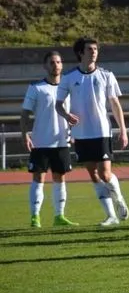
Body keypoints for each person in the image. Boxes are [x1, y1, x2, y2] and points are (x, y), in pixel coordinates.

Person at [55, 37, 129, 227]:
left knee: (105, 173)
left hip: (102, 131)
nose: (94, 52)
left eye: (95, 49)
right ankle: (111, 216)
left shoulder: (106, 75)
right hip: (81, 134)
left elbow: (115, 103)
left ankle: (119, 198)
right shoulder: (69, 77)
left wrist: (123, 130)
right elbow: (58, 104)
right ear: (81, 52)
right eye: (89, 49)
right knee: (93, 174)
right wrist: (67, 115)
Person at [21, 51, 77, 228]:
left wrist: (75, 133)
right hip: (41, 142)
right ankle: (35, 216)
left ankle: (59, 216)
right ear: (45, 66)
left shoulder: (67, 87)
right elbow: (24, 114)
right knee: (39, 178)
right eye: (52, 62)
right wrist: (25, 135)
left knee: (60, 179)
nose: (56, 65)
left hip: (61, 141)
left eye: (59, 62)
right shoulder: (36, 87)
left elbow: (74, 113)